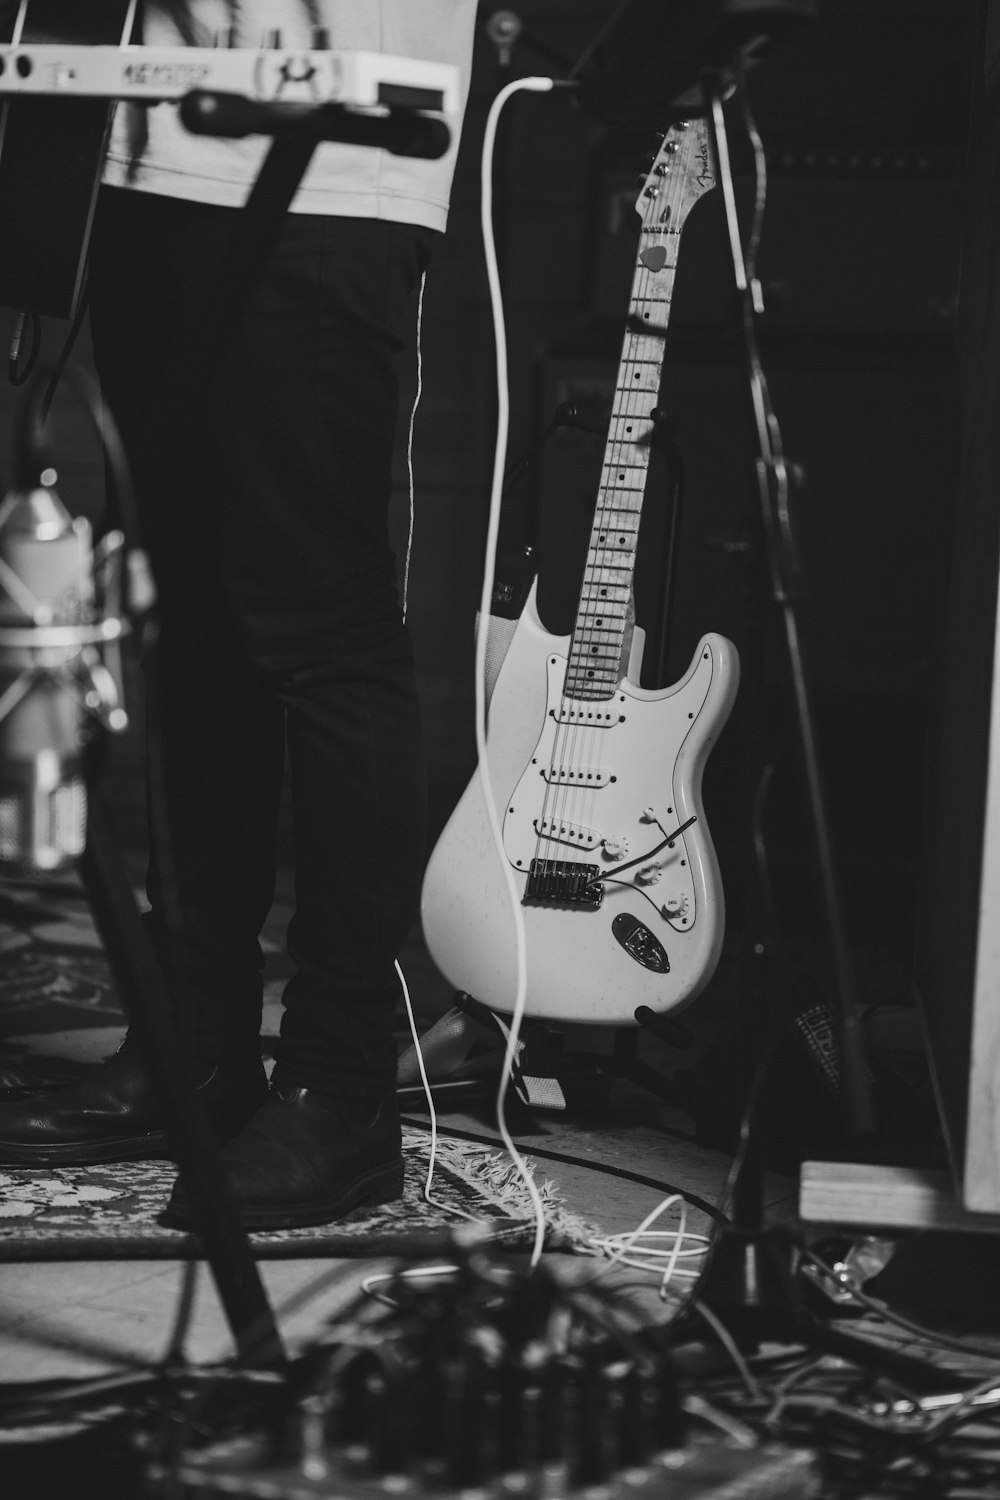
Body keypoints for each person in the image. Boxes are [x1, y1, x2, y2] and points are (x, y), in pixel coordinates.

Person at [0, 0, 478, 1230]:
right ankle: (193, 1052)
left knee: (319, 626)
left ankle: (342, 1086)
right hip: (138, 140)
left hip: (329, 159)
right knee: (195, 622)